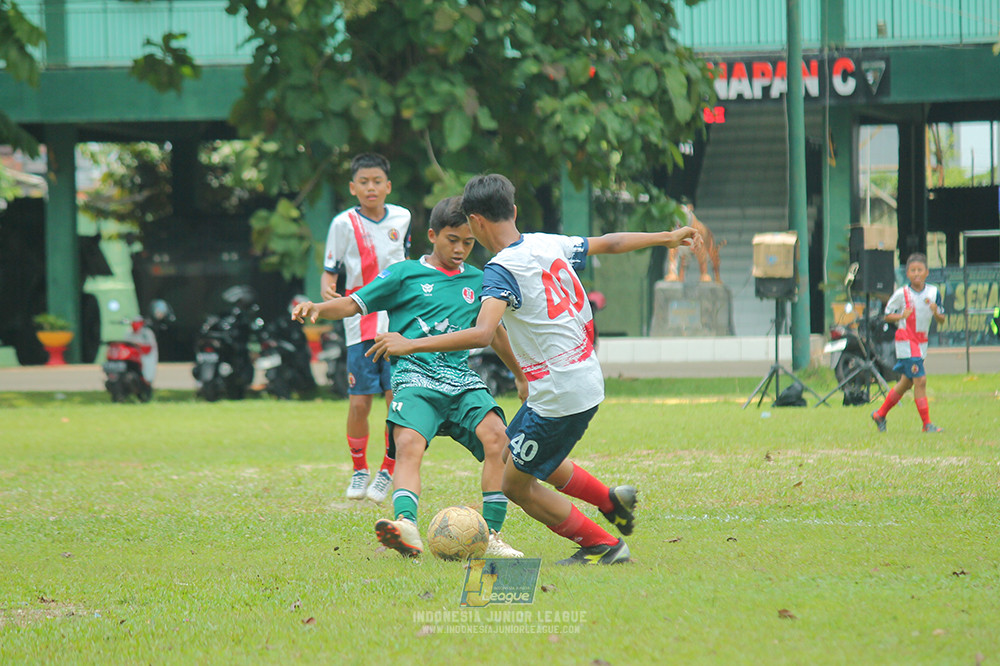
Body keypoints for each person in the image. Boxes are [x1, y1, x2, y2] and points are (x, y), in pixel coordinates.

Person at [368, 174, 701, 565]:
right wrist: (666, 237)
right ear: (513, 210)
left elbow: (482, 333)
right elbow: (610, 242)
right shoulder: (548, 242)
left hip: (560, 395)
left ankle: (604, 546)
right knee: (514, 449)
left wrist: (410, 343)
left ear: (474, 222)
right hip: (581, 378)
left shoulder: (499, 271)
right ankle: (608, 501)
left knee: (517, 485)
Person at [294, 196, 526, 558]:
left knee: (500, 441)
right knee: (408, 446)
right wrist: (318, 308)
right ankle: (405, 527)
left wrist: (521, 375)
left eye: (468, 242)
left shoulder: (481, 280)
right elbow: (355, 303)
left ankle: (491, 535)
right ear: (432, 235)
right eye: (452, 240)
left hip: (461, 379)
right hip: (414, 379)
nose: (461, 249)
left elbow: (493, 331)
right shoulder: (403, 273)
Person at [322, 153, 411, 503]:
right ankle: (360, 470)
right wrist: (327, 291)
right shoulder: (342, 224)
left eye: (377, 181)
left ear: (387, 186)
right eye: (364, 182)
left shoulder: (403, 217)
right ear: (353, 187)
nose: (371, 187)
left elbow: (404, 263)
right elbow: (330, 271)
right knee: (359, 403)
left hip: (397, 322)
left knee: (396, 401)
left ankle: (387, 471)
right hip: (358, 322)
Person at [871, 253, 945, 433]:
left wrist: (936, 312)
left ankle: (880, 414)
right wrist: (901, 316)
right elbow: (887, 315)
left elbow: (942, 319)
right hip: (906, 340)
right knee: (920, 380)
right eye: (913, 270)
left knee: (906, 383)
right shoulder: (902, 293)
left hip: (921, 342)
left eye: (920, 270)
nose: (916, 274)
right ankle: (927, 424)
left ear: (927, 272)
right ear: (908, 273)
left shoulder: (933, 293)